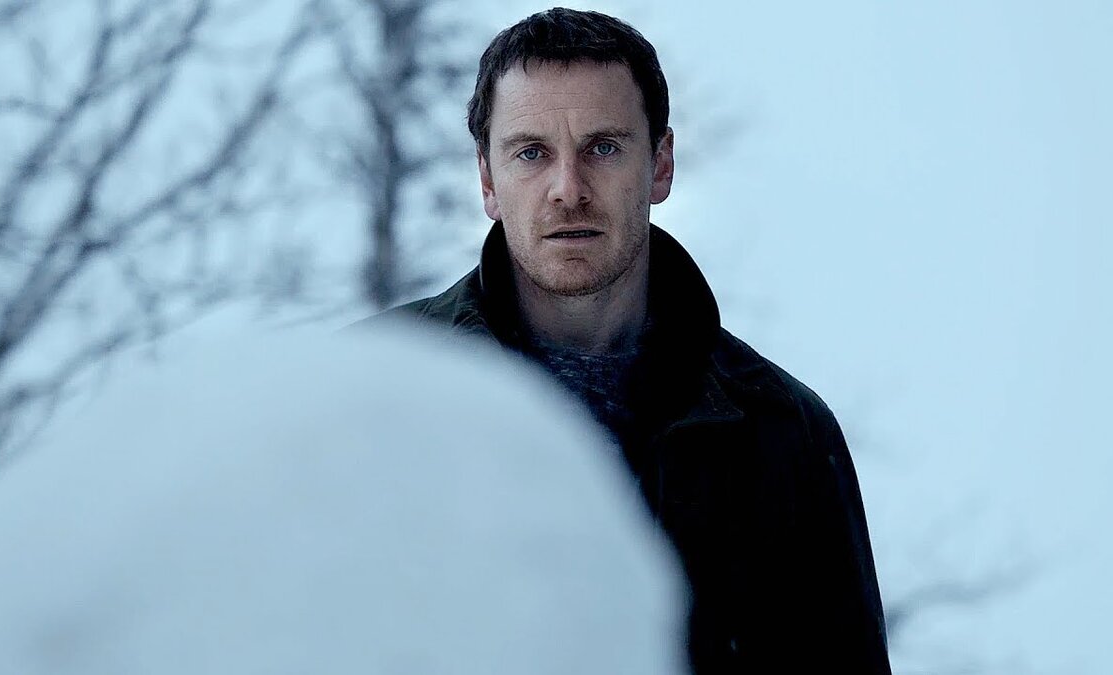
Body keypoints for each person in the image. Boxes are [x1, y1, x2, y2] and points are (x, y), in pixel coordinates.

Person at [376, 8, 891, 673]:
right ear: (487, 179)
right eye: (532, 153)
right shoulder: (377, 389)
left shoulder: (782, 432)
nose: (568, 190)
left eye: (604, 148)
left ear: (661, 164)